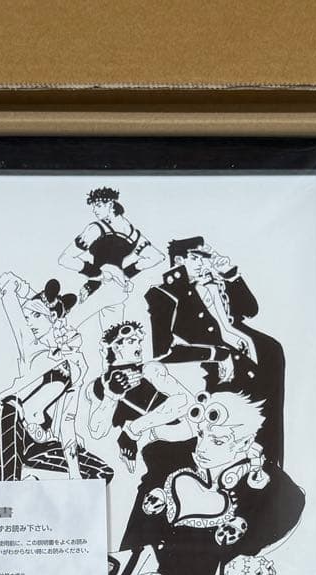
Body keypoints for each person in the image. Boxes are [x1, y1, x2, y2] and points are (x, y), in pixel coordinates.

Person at [119, 391, 304, 575]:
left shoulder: (271, 489)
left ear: (246, 442)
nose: (202, 448)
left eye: (217, 441)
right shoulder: (169, 459)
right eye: (201, 434)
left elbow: (291, 506)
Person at [145, 237, 286, 465]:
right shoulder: (165, 293)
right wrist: (216, 354)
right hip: (215, 367)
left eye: (206, 258)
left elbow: (250, 310)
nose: (204, 264)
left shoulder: (214, 283)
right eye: (196, 258)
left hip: (258, 354)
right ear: (179, 261)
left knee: (269, 420)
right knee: (233, 427)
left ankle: (271, 466)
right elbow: (162, 351)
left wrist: (229, 273)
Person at [0, 273, 113, 482]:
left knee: (102, 474)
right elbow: (8, 288)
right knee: (8, 411)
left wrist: (74, 473)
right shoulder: (32, 345)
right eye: (26, 317)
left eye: (35, 316)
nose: (29, 323)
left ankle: (28, 486)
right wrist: (22, 289)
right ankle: (12, 486)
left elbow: (67, 419)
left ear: (53, 317)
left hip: (39, 439)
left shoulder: (76, 363)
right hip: (8, 421)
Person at [86, 320, 190, 472]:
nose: (139, 346)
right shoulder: (97, 387)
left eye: (139, 341)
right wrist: (111, 395)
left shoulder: (150, 370)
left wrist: (132, 431)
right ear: (116, 347)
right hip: (143, 459)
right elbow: (97, 431)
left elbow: (185, 401)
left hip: (179, 441)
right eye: (132, 341)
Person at [59, 187, 164, 327]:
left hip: (99, 289)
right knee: (112, 334)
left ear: (110, 204)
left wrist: (98, 274)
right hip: (119, 291)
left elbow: (65, 259)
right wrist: (124, 275)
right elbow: (156, 257)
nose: (94, 210)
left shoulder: (96, 228)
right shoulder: (131, 232)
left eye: (98, 205)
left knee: (66, 328)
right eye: (93, 206)